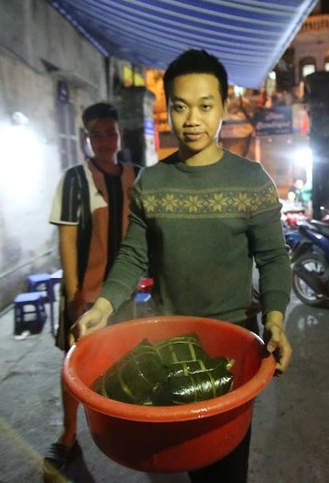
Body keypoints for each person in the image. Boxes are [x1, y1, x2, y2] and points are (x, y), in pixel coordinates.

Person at [74, 49, 293, 482]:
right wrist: (101, 308)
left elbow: (272, 257)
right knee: (177, 460)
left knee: (225, 464)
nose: (192, 118)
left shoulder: (252, 181)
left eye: (205, 105)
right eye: (180, 105)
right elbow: (134, 254)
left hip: (232, 343)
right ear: (168, 108)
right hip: (168, 341)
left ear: (224, 108)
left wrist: (275, 319)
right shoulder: (151, 183)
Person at [44, 102, 140, 475]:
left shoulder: (137, 176)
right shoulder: (74, 179)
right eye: (95, 134)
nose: (104, 141)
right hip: (85, 293)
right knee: (74, 363)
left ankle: (123, 423)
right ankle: (68, 432)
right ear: (86, 139)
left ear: (119, 135)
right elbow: (67, 240)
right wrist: (73, 298)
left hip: (127, 292)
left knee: (127, 357)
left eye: (109, 133)